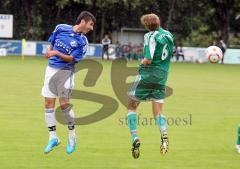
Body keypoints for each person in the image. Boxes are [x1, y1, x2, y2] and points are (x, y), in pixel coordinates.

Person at [42, 11, 96, 154]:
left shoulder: (83, 42)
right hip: (51, 70)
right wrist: (50, 53)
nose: (91, 28)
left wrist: (55, 54)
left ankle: (72, 136)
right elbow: (52, 43)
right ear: (83, 21)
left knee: (64, 105)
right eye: (91, 24)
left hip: (66, 72)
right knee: (48, 104)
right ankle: (53, 137)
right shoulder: (60, 28)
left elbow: (71, 59)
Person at [127, 13, 174, 158]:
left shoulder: (149, 36)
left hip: (147, 75)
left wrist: (141, 63)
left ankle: (135, 138)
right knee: (158, 112)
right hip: (162, 76)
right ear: (159, 22)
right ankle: (164, 135)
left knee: (131, 107)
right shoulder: (168, 35)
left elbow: (148, 59)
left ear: (147, 26)